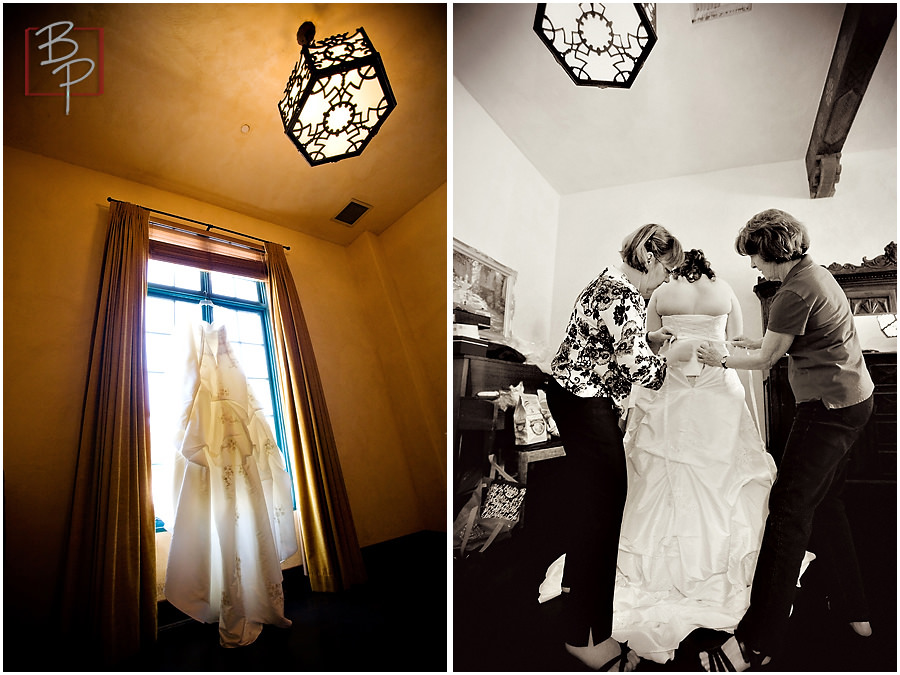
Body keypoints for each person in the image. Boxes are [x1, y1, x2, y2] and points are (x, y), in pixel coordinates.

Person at [697, 209, 874, 670]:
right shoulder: (816, 275)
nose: (753, 266)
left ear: (773, 250)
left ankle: (757, 642)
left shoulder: (793, 291)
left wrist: (721, 358)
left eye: (754, 256)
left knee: (787, 515)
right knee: (827, 504)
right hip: (854, 401)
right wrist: (741, 343)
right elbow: (782, 339)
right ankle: (857, 611)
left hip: (828, 410)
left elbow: (770, 359)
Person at [607, 249, 777, 664]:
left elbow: (648, 342)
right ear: (708, 269)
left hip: (671, 383)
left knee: (658, 470)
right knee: (721, 470)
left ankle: (658, 563)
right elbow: (735, 339)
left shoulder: (662, 292)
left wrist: (669, 339)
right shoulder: (725, 290)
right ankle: (720, 562)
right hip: (718, 383)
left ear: (677, 268)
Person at [544, 223, 684, 671]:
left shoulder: (609, 284)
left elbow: (613, 347)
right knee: (604, 511)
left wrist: (649, 341)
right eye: (667, 268)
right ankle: (585, 637)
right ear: (649, 257)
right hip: (585, 404)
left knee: (593, 507)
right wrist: (669, 358)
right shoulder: (623, 295)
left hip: (574, 396)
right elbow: (637, 366)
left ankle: (576, 610)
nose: (666, 279)